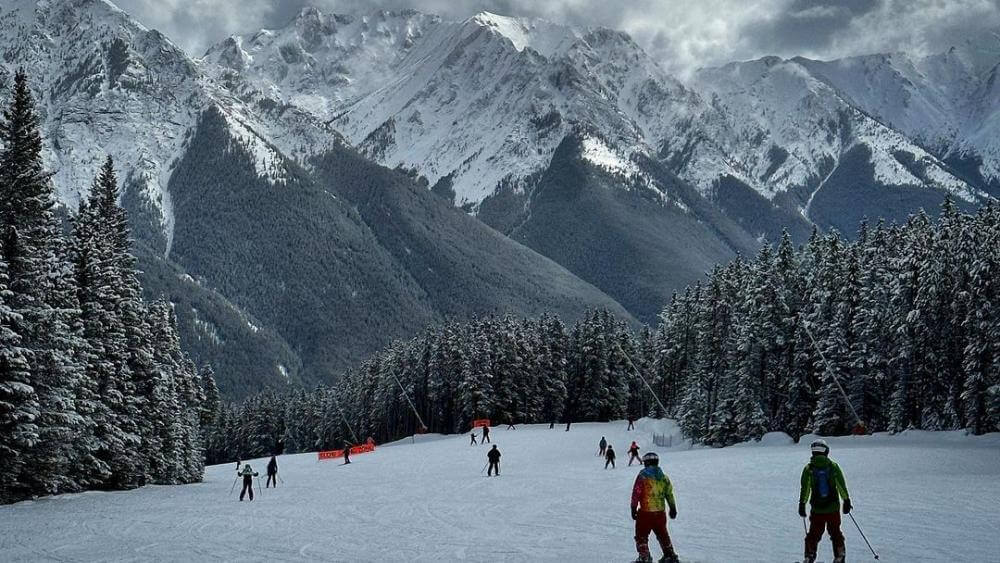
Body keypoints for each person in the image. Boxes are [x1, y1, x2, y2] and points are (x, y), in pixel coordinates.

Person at [798, 439, 851, 563]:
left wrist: (802, 504)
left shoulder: (808, 469)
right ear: (826, 451)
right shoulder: (833, 466)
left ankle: (809, 556)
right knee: (835, 532)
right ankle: (839, 555)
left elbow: (805, 489)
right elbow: (841, 485)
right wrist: (846, 500)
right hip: (833, 508)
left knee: (813, 534)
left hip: (817, 509)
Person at [630, 452, 678, 563]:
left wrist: (633, 507)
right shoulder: (663, 477)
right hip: (660, 513)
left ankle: (644, 556)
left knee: (641, 535)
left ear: (646, 463)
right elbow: (669, 493)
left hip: (646, 512)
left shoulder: (642, 476)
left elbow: (636, 492)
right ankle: (669, 554)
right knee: (662, 533)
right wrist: (672, 507)